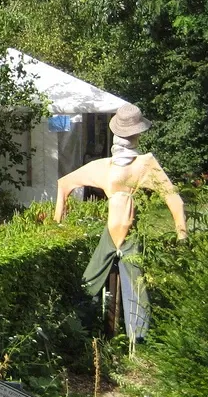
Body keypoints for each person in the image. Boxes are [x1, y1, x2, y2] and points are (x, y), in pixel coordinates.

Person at [53, 104, 187, 339]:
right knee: (106, 281)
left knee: (127, 282)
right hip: (119, 233)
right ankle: (84, 332)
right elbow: (174, 198)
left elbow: (63, 184)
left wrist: (57, 221)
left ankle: (129, 337)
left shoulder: (133, 165)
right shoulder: (129, 165)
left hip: (125, 232)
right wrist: (181, 233)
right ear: (136, 134)